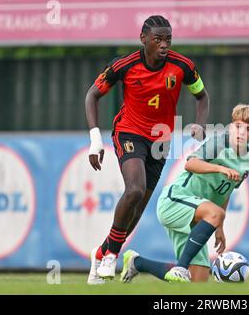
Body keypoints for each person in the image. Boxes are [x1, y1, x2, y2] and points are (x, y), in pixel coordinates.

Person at [85, 15, 209, 284]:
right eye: (158, 39)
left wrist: (200, 125)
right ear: (143, 39)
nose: (164, 45)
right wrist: (96, 140)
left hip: (161, 140)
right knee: (135, 189)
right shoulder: (124, 65)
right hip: (129, 131)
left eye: (168, 39)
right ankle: (112, 256)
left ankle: (100, 252)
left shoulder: (183, 66)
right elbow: (92, 95)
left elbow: (201, 95)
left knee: (138, 209)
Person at [119, 104, 249, 283]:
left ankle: (137, 262)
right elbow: (190, 164)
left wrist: (219, 227)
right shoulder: (219, 143)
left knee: (198, 281)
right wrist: (220, 168)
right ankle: (180, 267)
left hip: (195, 215)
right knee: (214, 214)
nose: (242, 132)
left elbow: (225, 193)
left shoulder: (248, 161)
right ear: (231, 126)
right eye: (238, 126)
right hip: (175, 200)